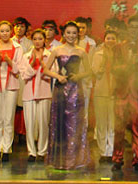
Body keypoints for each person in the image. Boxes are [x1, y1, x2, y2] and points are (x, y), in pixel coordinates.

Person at [43, 21, 92, 170]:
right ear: (64, 34)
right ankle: (60, 159)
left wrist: (78, 76)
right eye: (68, 33)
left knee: (74, 123)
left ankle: (74, 159)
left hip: (75, 90)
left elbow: (89, 71)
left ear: (78, 35)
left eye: (74, 33)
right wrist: (58, 77)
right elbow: (45, 70)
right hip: (60, 89)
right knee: (60, 122)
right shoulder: (57, 50)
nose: (71, 35)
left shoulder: (81, 52)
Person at [110, 18, 138, 172]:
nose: (134, 30)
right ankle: (117, 159)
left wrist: (136, 63)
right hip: (121, 91)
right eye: (132, 27)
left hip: (137, 91)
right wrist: (127, 64)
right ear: (128, 28)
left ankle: (137, 159)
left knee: (136, 127)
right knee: (119, 127)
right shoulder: (118, 47)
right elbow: (114, 68)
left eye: (137, 27)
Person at [0, 21, 24, 162]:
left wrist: (9, 61)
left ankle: (6, 149)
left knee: (8, 119)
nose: (4, 33)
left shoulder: (17, 48)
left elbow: (19, 69)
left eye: (7, 31)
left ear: (11, 32)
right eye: (2, 31)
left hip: (11, 86)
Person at [19, 28, 52, 162]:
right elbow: (24, 75)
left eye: (40, 39)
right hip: (29, 93)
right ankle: (31, 152)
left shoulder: (49, 55)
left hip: (44, 92)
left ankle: (42, 151)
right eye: (35, 39)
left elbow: (51, 73)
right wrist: (32, 64)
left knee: (43, 123)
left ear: (44, 40)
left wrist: (43, 65)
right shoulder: (26, 56)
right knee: (30, 124)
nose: (37, 41)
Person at [91, 30, 118, 163]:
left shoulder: (120, 54)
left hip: (115, 92)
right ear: (104, 40)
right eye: (108, 38)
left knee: (112, 123)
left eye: (113, 38)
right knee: (101, 123)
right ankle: (103, 151)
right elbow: (95, 71)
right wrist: (103, 65)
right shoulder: (98, 54)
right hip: (101, 91)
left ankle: (111, 150)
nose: (110, 41)